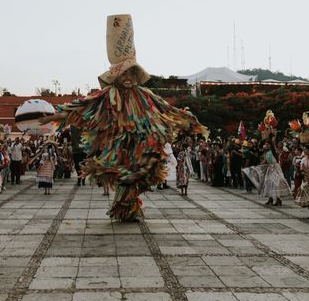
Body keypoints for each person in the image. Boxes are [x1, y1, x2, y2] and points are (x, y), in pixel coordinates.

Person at [42, 14, 207, 220]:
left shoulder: (145, 96)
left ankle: (128, 207)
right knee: (123, 175)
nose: (128, 79)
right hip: (117, 145)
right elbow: (82, 106)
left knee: (141, 172)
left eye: (132, 75)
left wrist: (189, 120)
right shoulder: (106, 96)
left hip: (141, 144)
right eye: (124, 75)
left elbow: (166, 109)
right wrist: (51, 118)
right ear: (116, 77)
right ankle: (126, 208)